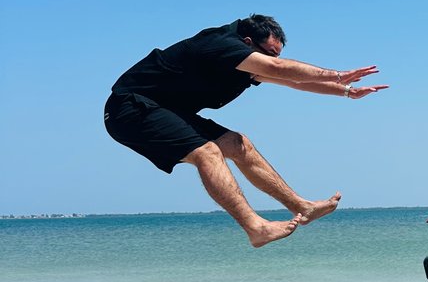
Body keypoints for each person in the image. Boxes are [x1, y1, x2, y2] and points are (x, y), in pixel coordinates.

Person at [104, 14, 388, 248]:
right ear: (248, 42)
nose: (271, 59)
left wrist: (347, 92)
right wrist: (337, 74)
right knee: (208, 152)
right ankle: (255, 228)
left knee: (239, 145)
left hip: (166, 110)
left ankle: (302, 207)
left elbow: (294, 81)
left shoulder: (240, 59)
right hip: (129, 109)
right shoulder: (219, 43)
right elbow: (277, 68)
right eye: (267, 53)